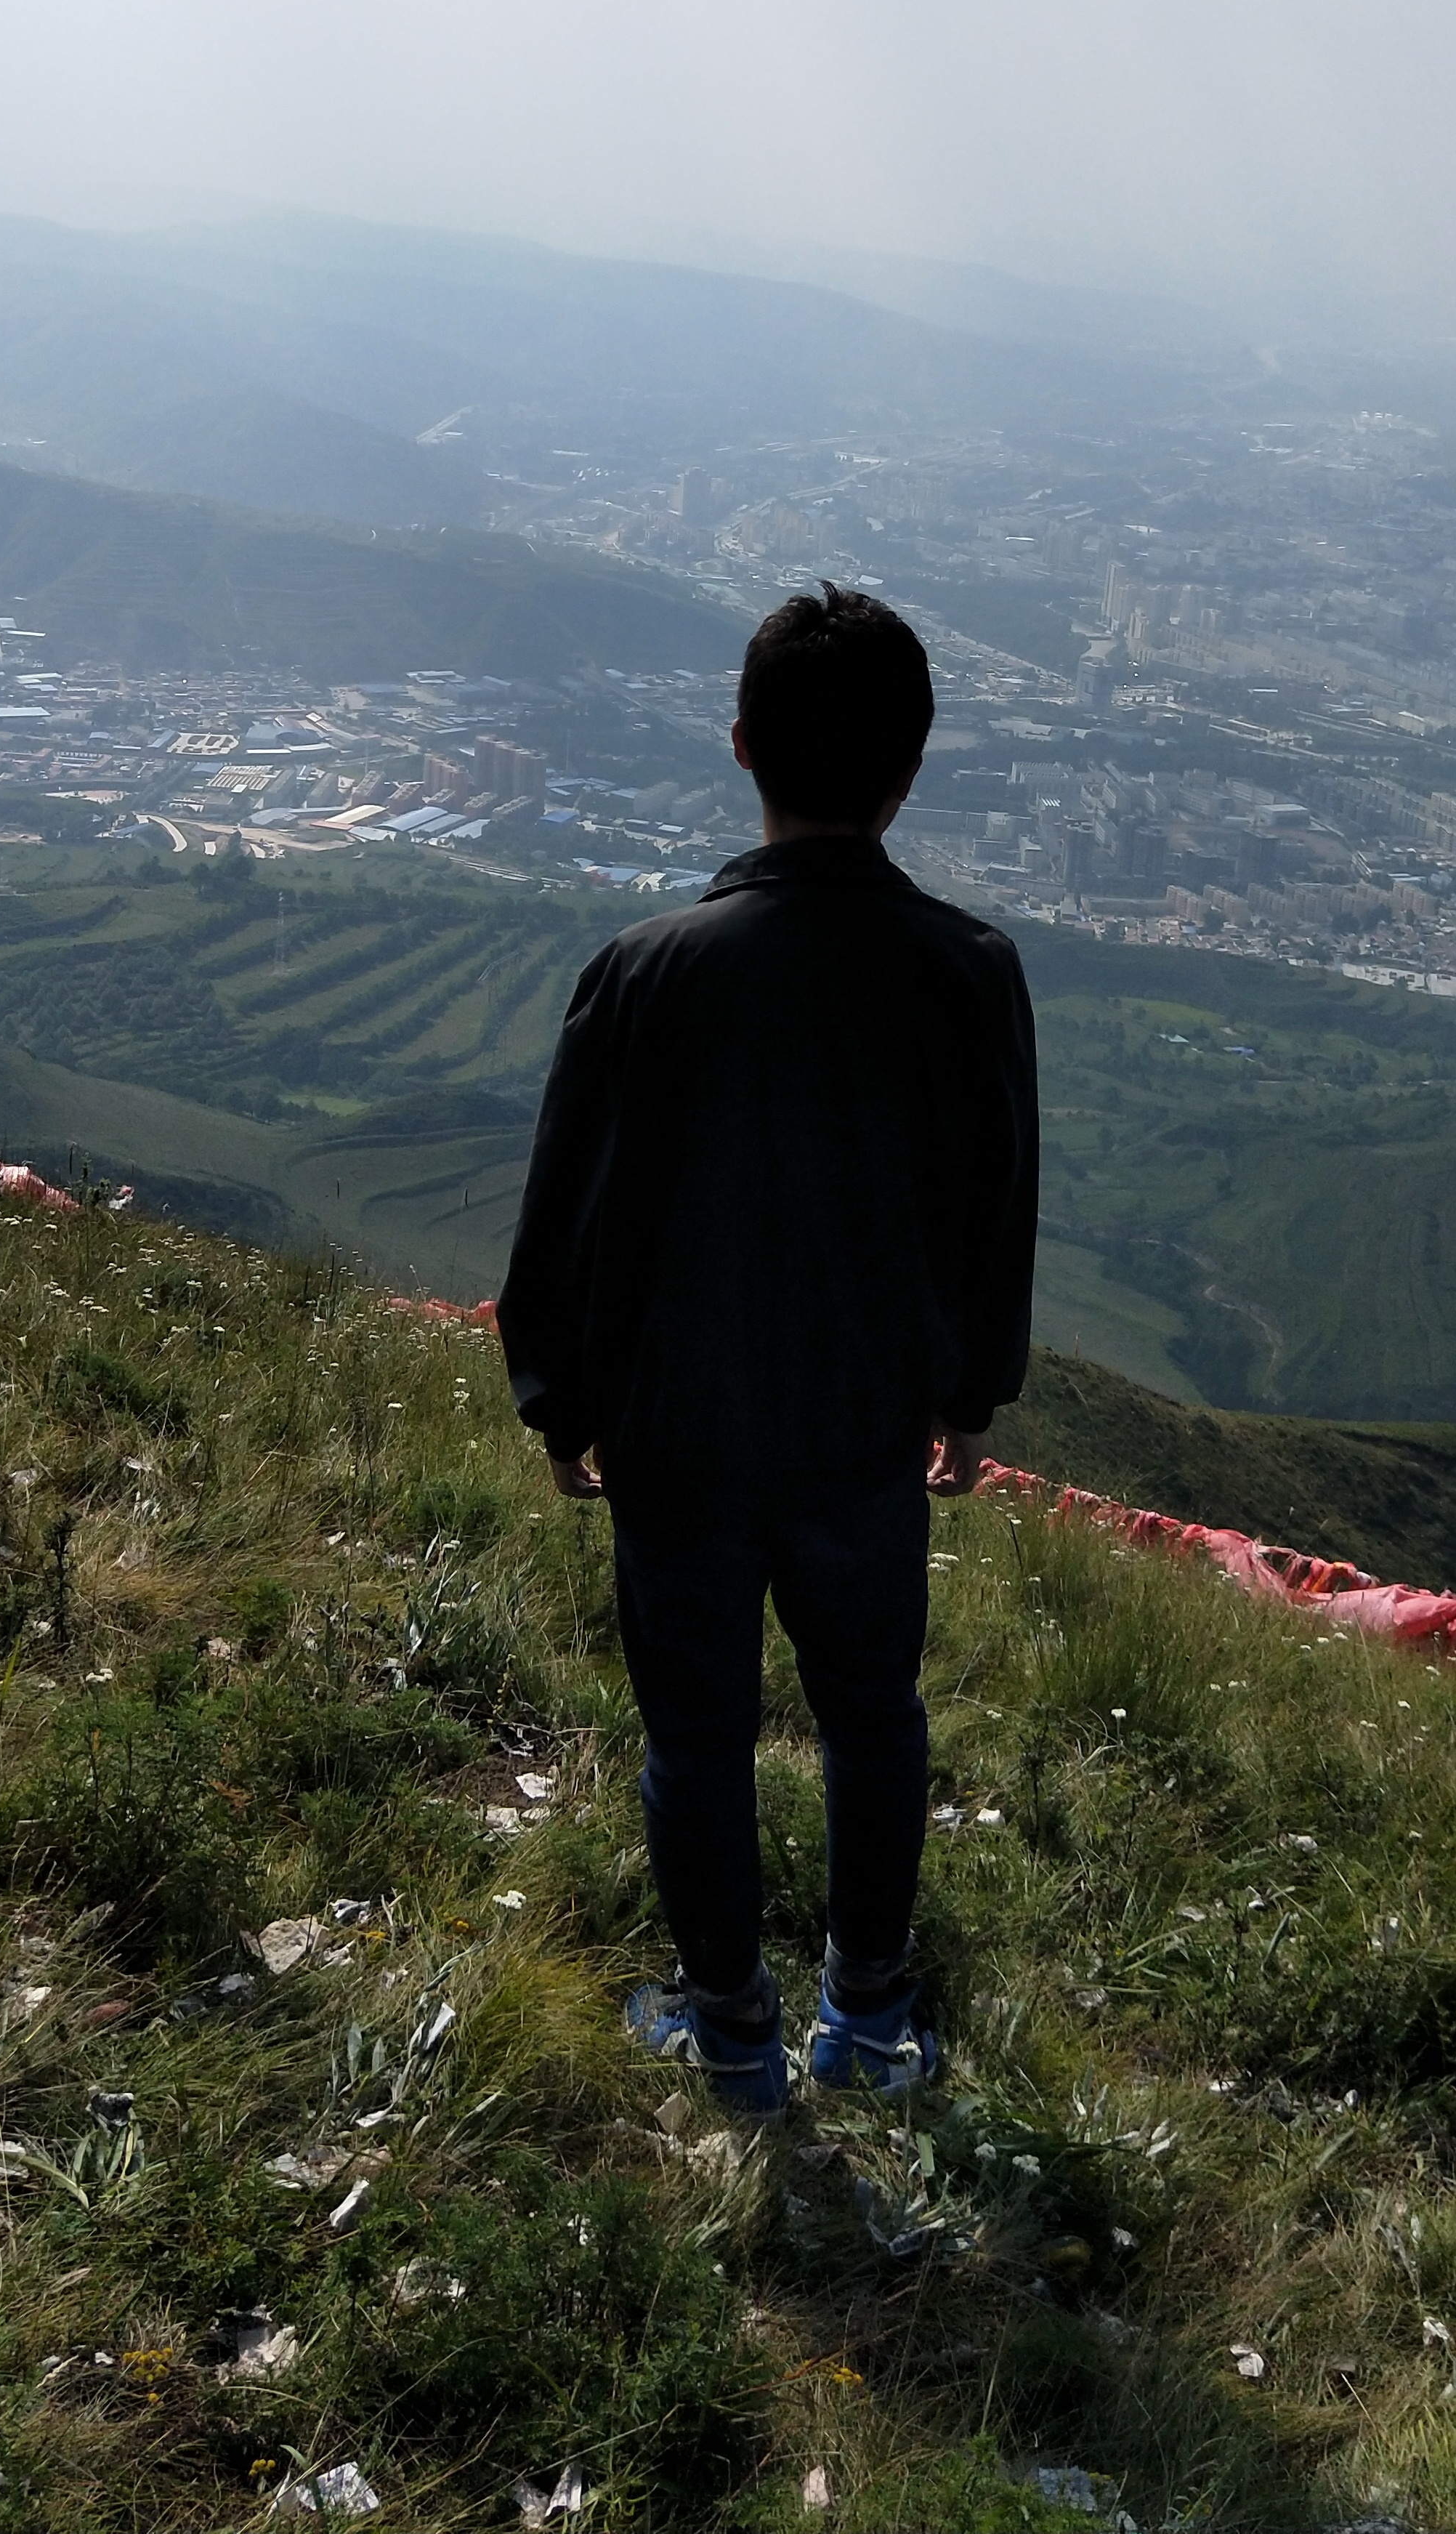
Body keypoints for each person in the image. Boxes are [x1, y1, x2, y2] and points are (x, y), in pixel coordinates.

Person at [497, 585, 1038, 2113]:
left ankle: (731, 2034)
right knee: (875, 1718)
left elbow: (569, 1219)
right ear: (910, 770)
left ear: (740, 747)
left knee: (698, 1731)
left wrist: (563, 1406)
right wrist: (969, 1397)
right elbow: (995, 1204)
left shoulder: (649, 970)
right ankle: (868, 2014)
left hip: (677, 1430)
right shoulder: (970, 971)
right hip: (867, 1427)